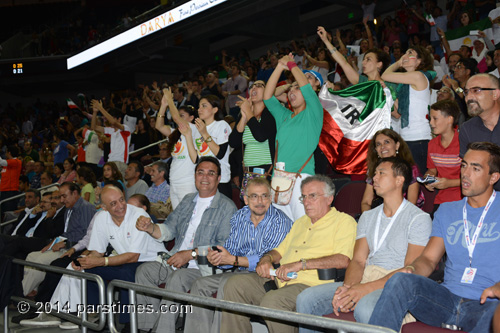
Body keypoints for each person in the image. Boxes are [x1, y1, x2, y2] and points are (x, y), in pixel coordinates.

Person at [368, 142, 500, 333]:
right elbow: (429, 259)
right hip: (446, 299)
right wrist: (412, 269)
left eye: (475, 168)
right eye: (464, 165)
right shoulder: (447, 211)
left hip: (487, 303)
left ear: (493, 177)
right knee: (400, 281)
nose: (465, 173)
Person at [296, 158, 431, 331]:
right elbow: (358, 261)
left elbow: (410, 272)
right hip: (364, 277)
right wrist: (348, 288)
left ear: (399, 180)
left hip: (395, 286)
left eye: (381, 173)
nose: (374, 178)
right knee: (306, 299)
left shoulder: (418, 218)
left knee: (365, 307)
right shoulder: (367, 216)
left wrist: (363, 290)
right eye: (374, 173)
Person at [220, 175, 357, 333]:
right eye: (303, 197)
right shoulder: (300, 222)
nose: (306, 202)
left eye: (312, 196)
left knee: (273, 301)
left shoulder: (344, 222)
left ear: (329, 198)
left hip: (313, 285)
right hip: (281, 280)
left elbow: (343, 260)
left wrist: (301, 264)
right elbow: (278, 251)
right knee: (235, 285)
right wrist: (266, 259)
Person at [24, 185, 168, 329]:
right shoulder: (101, 218)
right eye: (113, 204)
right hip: (126, 261)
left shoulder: (138, 215)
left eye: (121, 200)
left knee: (124, 273)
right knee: (82, 269)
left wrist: (100, 261)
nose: (120, 206)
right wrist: (85, 261)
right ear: (104, 207)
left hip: (149, 261)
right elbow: (97, 252)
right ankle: (86, 315)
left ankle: (126, 324)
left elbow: (133, 257)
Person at [134, 156, 237, 332]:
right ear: (195, 176)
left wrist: (190, 254)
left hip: (202, 267)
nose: (205, 177)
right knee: (144, 272)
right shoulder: (188, 200)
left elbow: (223, 247)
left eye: (211, 173)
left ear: (219, 178)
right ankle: (147, 328)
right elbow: (169, 229)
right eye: (200, 172)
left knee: (178, 278)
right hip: (175, 260)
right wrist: (150, 228)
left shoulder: (227, 207)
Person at [183, 178, 293, 333]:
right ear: (246, 200)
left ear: (270, 198)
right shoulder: (239, 217)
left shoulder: (280, 221)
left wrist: (233, 260)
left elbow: (268, 259)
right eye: (254, 196)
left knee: (228, 285)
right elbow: (231, 250)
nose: (260, 201)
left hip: (267, 276)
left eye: (264, 196)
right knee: (199, 285)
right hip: (239, 270)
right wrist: (220, 258)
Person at [263, 53, 323, 221]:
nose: (291, 91)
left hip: (301, 178)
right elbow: (267, 97)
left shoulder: (314, 113)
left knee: (304, 229)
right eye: (291, 88)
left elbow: (306, 88)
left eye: (297, 88)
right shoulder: (284, 116)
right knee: (283, 233)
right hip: (279, 180)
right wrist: (279, 67)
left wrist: (291, 64)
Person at [21, 182, 96, 298]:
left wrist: (65, 244)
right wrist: (53, 243)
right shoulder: (69, 209)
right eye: (60, 196)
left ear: (75, 193)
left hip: (75, 248)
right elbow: (66, 233)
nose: (61, 200)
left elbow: (88, 236)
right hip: (65, 244)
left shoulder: (85, 208)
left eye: (64, 196)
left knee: (39, 261)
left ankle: (20, 295)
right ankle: (31, 290)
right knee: (31, 256)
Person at [381, 45, 435, 175]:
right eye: (404, 52)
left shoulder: (418, 76)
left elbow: (385, 75)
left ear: (419, 61)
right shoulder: (404, 86)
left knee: (418, 180)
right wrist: (388, 93)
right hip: (406, 137)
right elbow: (399, 113)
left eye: (410, 53)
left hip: (419, 138)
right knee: (408, 180)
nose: (405, 55)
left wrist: (398, 62)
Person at [179, 93, 233, 199]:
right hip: (204, 180)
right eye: (199, 106)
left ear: (215, 109)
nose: (199, 109)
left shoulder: (221, 125)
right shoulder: (199, 129)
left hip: (220, 180)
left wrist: (204, 133)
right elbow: (195, 159)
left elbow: (220, 153)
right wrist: (188, 136)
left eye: (204, 106)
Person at [361, 129, 424, 212]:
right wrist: (368, 220)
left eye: (387, 142)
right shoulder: (373, 169)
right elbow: (366, 202)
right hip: (380, 213)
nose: (383, 146)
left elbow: (411, 203)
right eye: (378, 144)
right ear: (376, 150)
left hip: (405, 215)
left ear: (397, 145)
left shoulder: (410, 168)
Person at [155, 89, 199, 208]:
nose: (178, 118)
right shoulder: (175, 133)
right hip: (174, 180)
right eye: (178, 115)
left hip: (187, 182)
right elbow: (158, 126)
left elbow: (175, 118)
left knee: (187, 217)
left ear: (191, 118)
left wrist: (170, 100)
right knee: (177, 217)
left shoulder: (194, 129)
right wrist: (163, 105)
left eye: (182, 116)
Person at [229, 80, 276, 188]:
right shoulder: (245, 114)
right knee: (248, 202)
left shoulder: (271, 112)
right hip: (247, 170)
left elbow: (260, 136)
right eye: (252, 86)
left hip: (266, 169)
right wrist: (244, 116)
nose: (254, 88)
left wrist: (248, 112)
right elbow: (233, 142)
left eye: (259, 85)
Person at [460, 73, 500, 191]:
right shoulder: (467, 129)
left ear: (495, 94)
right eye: (466, 92)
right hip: (487, 199)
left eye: (476, 90)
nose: (469, 97)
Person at [424, 100, 462, 211]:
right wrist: (428, 179)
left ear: (450, 119)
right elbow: (432, 170)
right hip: (442, 200)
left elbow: (474, 176)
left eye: (435, 119)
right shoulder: (432, 144)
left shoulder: (463, 142)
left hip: (464, 199)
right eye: (430, 119)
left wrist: (449, 183)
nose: (431, 123)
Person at [91, 99, 131, 175]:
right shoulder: (111, 130)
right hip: (110, 162)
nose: (109, 120)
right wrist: (95, 112)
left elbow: (113, 122)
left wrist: (101, 108)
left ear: (119, 119)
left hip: (120, 162)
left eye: (111, 117)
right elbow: (93, 127)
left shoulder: (125, 129)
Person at [0, 145, 23, 215]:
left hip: (10, 191)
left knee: (9, 213)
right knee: (3, 214)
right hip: (3, 191)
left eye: (6, 152)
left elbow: (1, 162)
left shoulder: (16, 161)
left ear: (9, 153)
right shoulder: (7, 165)